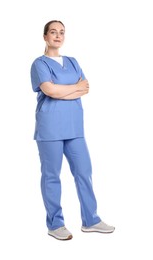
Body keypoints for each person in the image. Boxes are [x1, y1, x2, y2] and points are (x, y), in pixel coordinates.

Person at [30, 20, 115, 240]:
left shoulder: (73, 61)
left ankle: (91, 220)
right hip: (50, 129)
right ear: (45, 36)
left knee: (84, 171)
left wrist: (61, 91)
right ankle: (55, 224)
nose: (58, 36)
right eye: (53, 32)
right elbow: (49, 90)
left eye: (62, 33)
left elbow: (84, 88)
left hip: (75, 127)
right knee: (51, 176)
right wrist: (68, 89)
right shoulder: (39, 64)